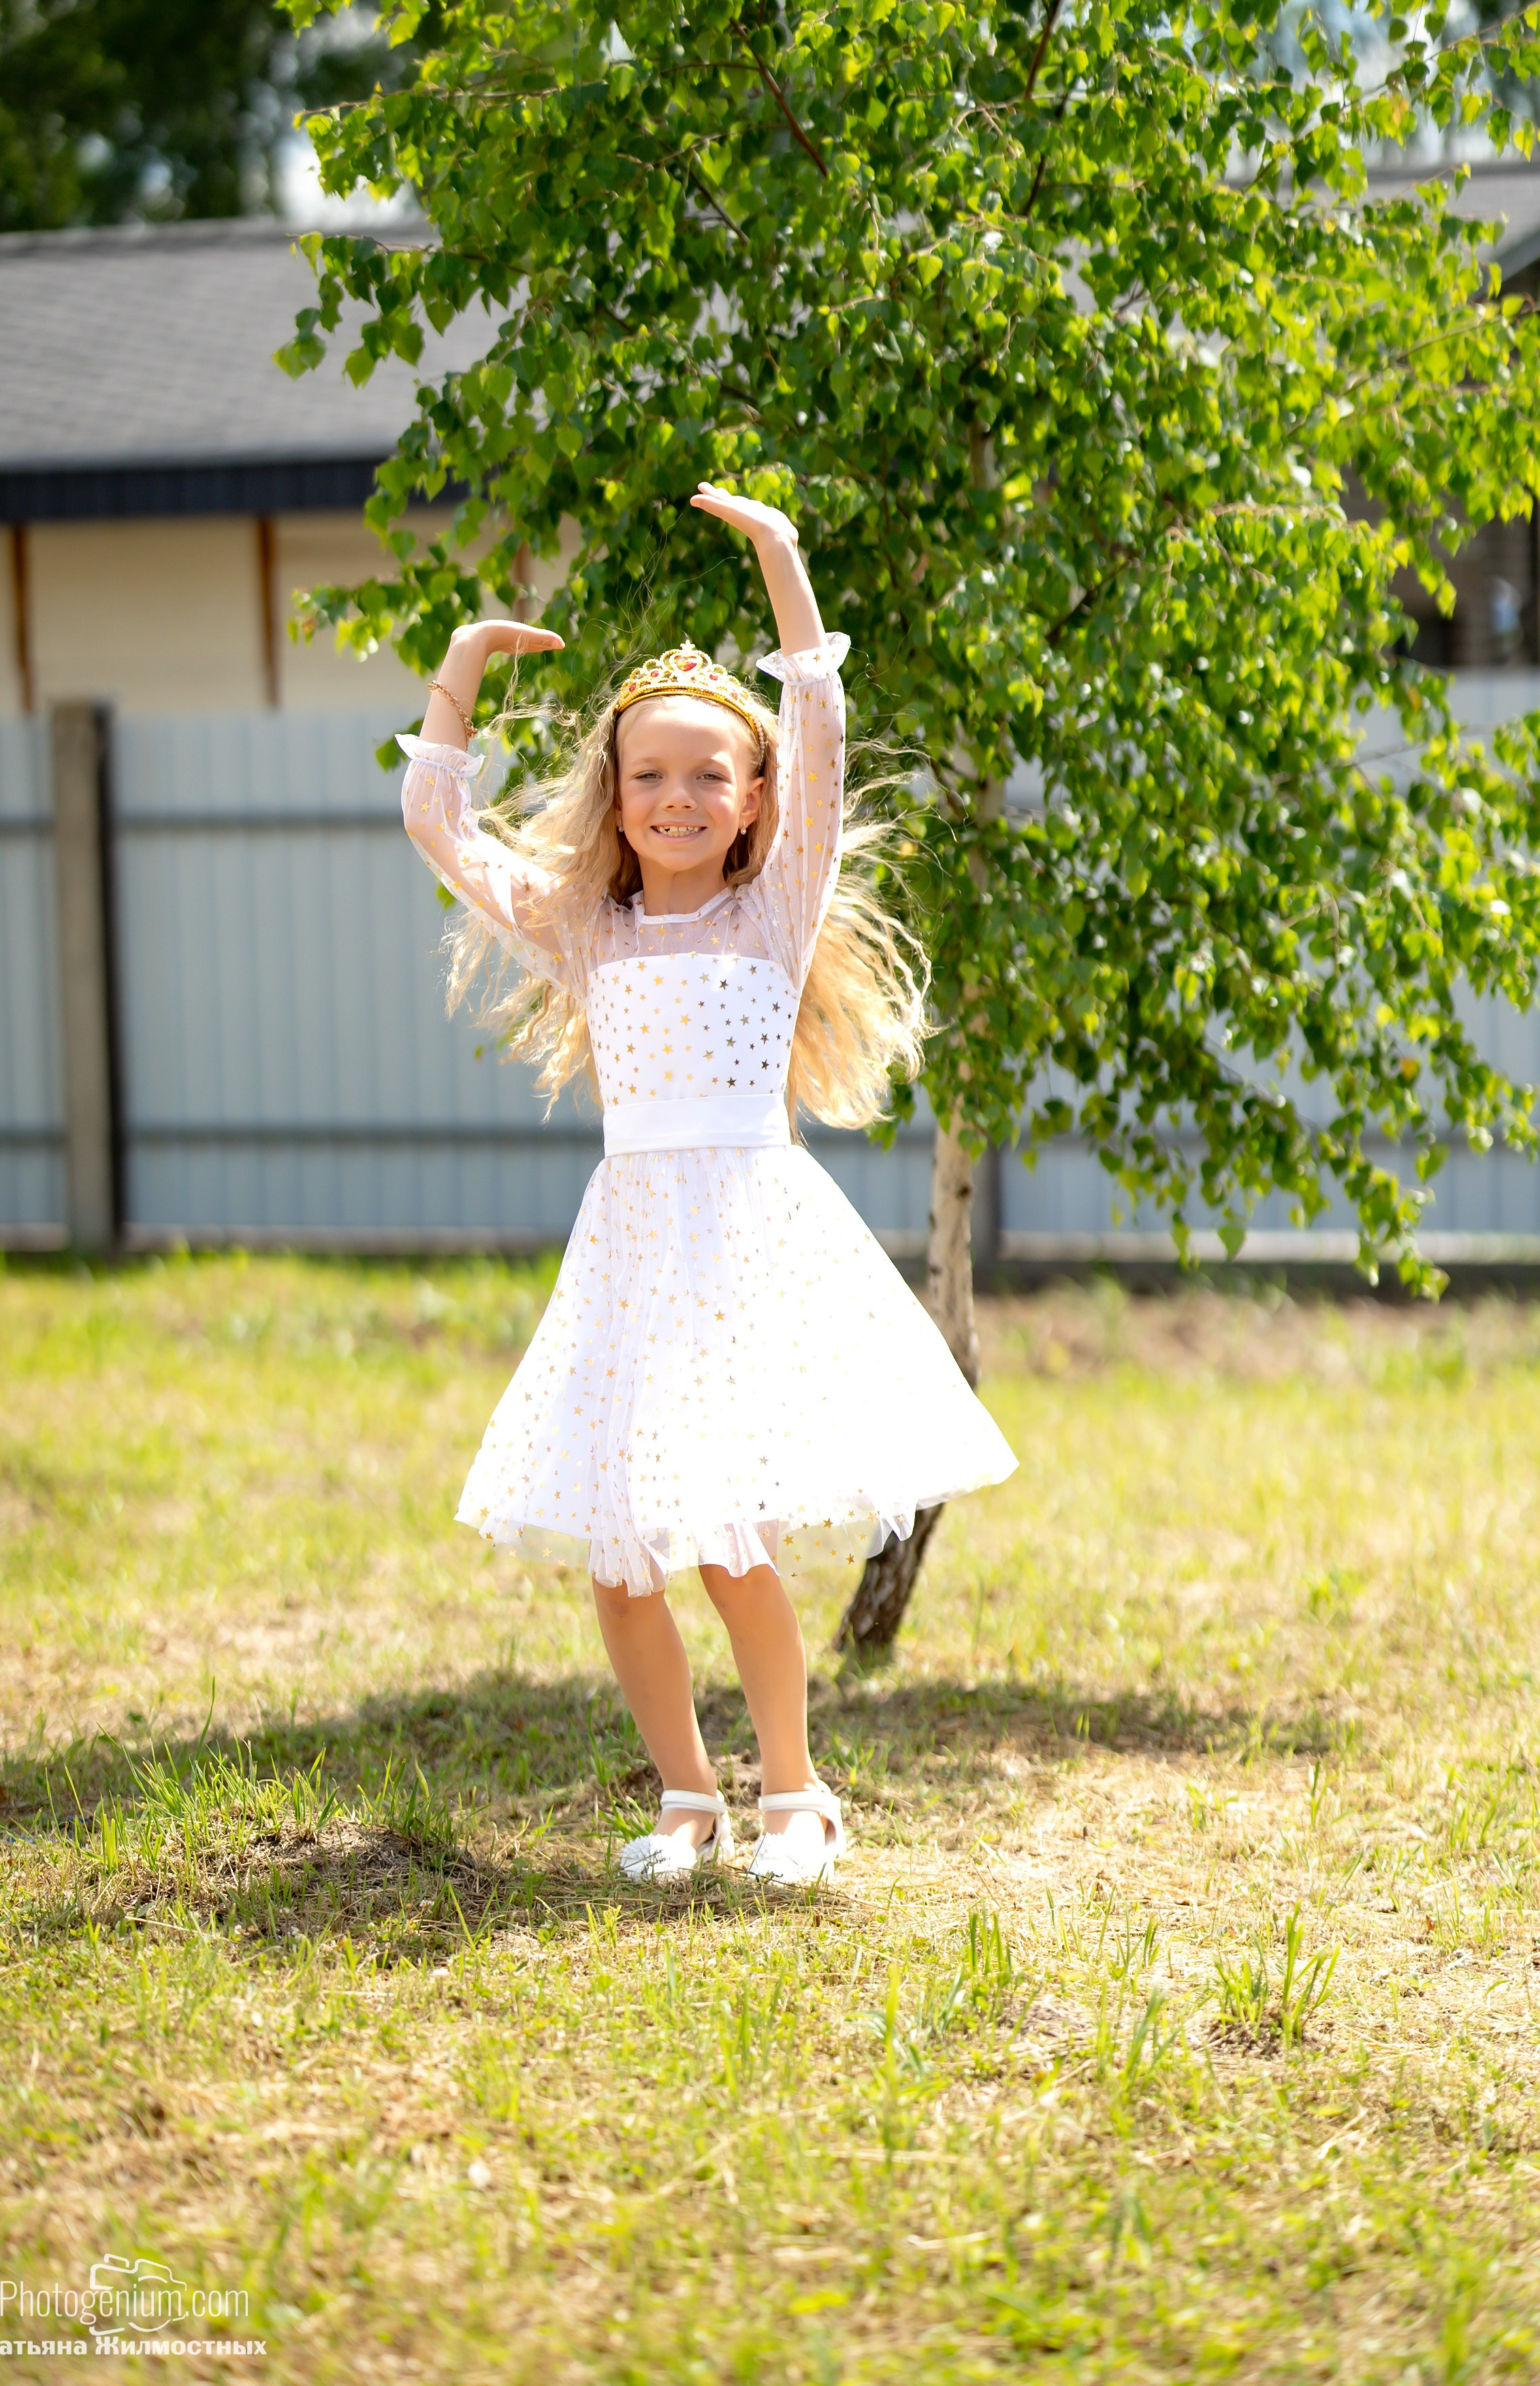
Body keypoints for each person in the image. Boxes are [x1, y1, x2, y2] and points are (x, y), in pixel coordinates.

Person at [398, 483, 1016, 1886]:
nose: (675, 799)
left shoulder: (772, 906)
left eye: (706, 778)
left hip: (744, 1245)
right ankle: (687, 1796)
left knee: (730, 1538)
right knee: (623, 1555)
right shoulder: (583, 926)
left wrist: (783, 562)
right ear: (616, 799)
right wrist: (457, 674)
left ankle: (794, 1793)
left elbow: (821, 727)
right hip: (630, 1251)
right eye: (648, 778)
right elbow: (439, 824)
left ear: (750, 806)